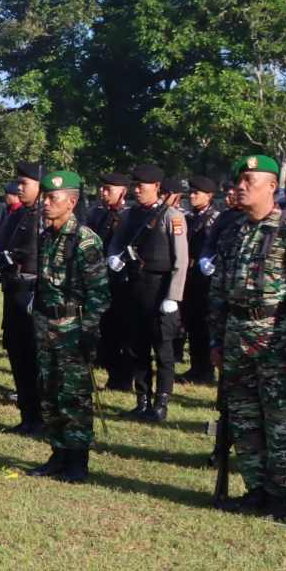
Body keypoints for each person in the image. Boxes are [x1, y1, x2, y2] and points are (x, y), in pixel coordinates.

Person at [208, 155, 286, 521]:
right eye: (239, 179)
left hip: (276, 337)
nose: (240, 186)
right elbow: (219, 289)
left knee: (280, 420)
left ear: (272, 186)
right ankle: (255, 489)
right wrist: (216, 340)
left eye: (249, 180)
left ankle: (278, 496)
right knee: (243, 417)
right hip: (237, 334)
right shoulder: (234, 230)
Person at [25, 171, 110, 482]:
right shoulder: (47, 236)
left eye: (53, 198)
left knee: (73, 396)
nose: (46, 204)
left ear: (71, 202)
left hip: (73, 327)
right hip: (46, 325)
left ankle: (77, 460)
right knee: (48, 392)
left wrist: (88, 331)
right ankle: (58, 453)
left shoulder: (84, 240)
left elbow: (99, 293)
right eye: (45, 198)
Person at [105, 164, 188, 422]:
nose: (137, 190)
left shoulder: (171, 216)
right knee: (137, 347)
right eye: (135, 185)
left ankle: (161, 403)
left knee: (163, 350)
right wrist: (113, 257)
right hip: (135, 287)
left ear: (157, 188)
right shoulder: (129, 215)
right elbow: (117, 243)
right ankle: (142, 400)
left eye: (142, 185)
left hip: (161, 288)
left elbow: (181, 258)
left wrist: (173, 296)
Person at [0, 162, 45, 432]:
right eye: (18, 183)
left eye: (25, 184)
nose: (19, 188)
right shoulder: (17, 214)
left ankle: (41, 417)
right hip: (13, 288)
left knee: (35, 355)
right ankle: (27, 415)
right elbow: (1, 245)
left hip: (34, 289)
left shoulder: (46, 216)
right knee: (17, 351)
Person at [86, 173, 132, 388]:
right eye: (102, 188)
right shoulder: (97, 214)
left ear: (123, 192)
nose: (102, 193)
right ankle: (113, 373)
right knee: (105, 331)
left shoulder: (129, 216)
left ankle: (124, 377)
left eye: (108, 189)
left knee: (123, 331)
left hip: (121, 282)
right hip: (100, 279)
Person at [180, 176, 220, 382]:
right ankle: (195, 367)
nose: (192, 196)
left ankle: (206, 369)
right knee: (192, 322)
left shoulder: (215, 219)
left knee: (204, 324)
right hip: (189, 276)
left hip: (205, 278)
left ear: (209, 196)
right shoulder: (188, 217)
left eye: (197, 193)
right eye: (191, 193)